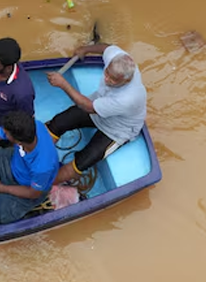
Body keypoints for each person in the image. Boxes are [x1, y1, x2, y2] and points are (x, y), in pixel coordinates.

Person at [45, 42, 147, 186]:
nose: (106, 79)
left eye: (113, 79)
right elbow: (105, 48)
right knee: (59, 122)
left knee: (82, 162)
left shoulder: (127, 98)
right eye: (107, 73)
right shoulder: (117, 57)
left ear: (126, 80)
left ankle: (44, 186)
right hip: (99, 106)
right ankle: (36, 156)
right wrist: (85, 50)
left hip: (117, 129)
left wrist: (63, 84)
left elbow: (88, 107)